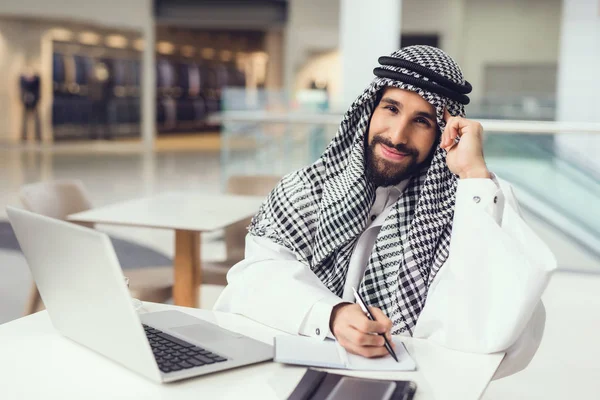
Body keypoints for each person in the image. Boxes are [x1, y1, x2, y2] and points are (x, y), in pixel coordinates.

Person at [214, 46, 556, 378]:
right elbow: (253, 277)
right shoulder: (306, 189)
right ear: (369, 111)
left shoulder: (470, 205)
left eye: (421, 121)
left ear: (443, 133)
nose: (397, 136)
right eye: (391, 109)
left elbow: (492, 331)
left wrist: (473, 176)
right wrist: (330, 314)